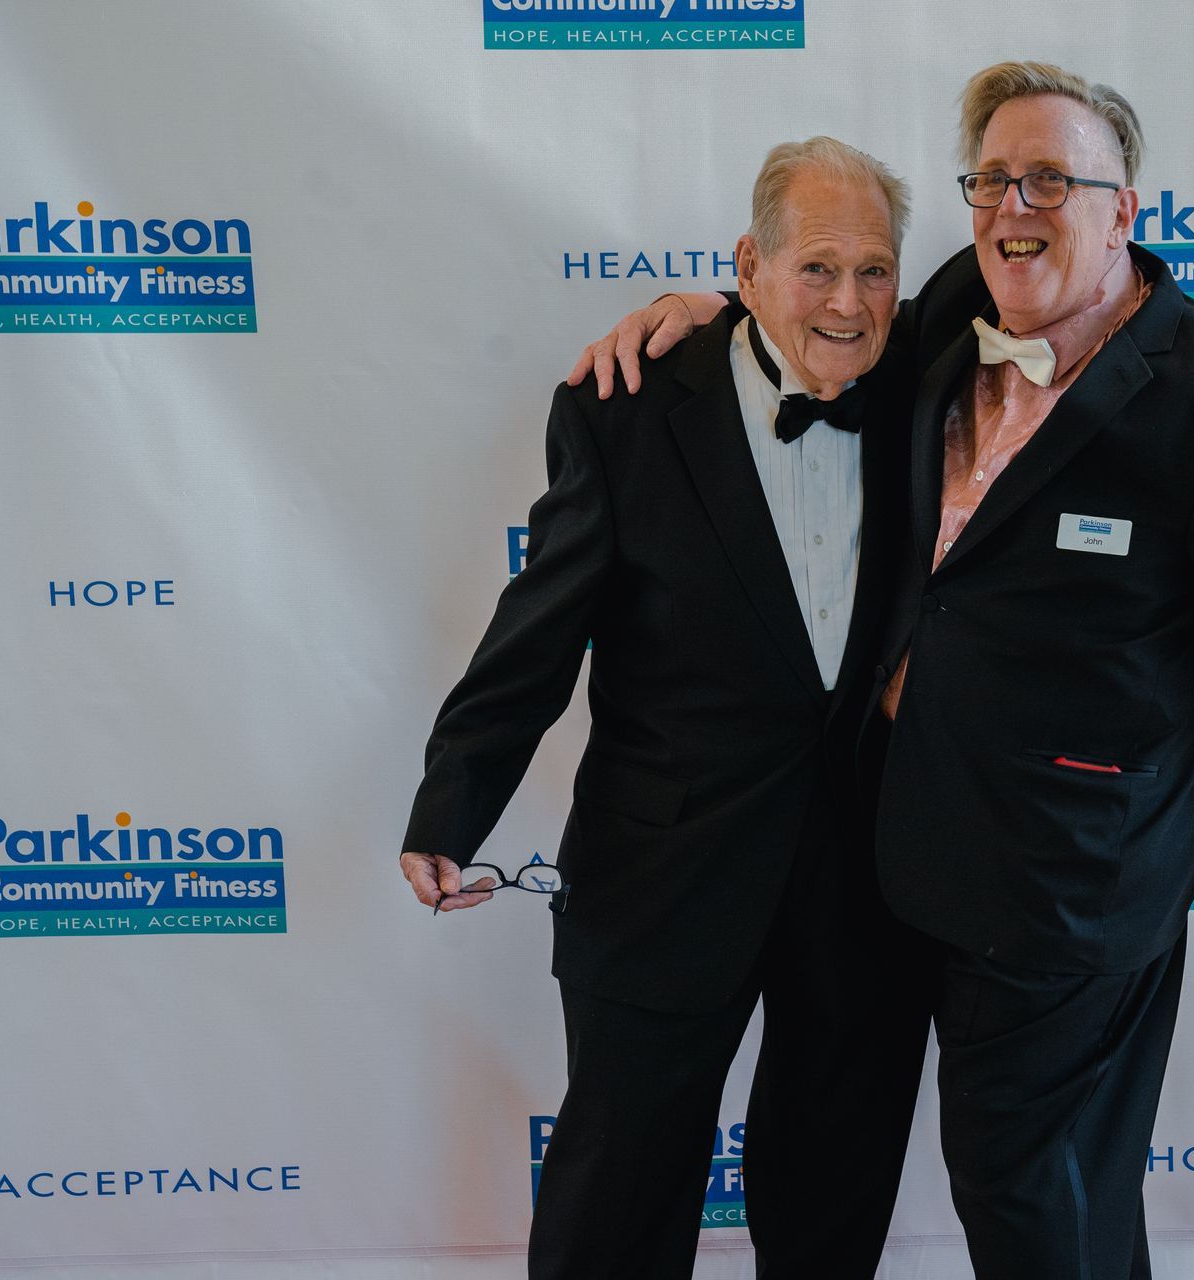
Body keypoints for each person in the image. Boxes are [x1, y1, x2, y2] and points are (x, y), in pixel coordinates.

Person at [570, 60, 1194, 1280]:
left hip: (1069, 883)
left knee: (1031, 1187)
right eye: (992, 179)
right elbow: (822, 316)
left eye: (1051, 178)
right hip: (901, 859)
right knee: (997, 1179)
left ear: (1124, 210)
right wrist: (704, 307)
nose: (1013, 206)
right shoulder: (954, 300)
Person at [400, 137, 934, 1280]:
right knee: (618, 1201)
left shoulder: (933, 391)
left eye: (877, 270)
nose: (849, 302)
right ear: (749, 264)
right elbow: (540, 626)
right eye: (818, 267)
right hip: (663, 870)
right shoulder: (625, 405)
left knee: (834, 1200)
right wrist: (453, 802)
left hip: (867, 879)